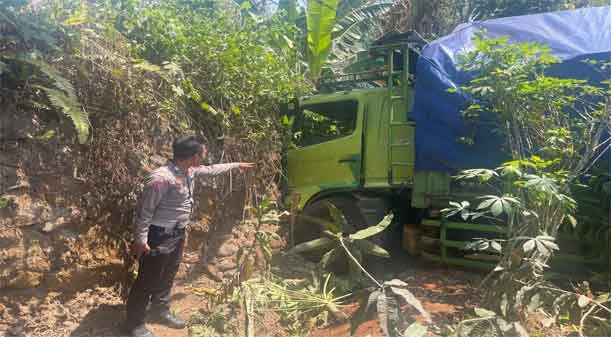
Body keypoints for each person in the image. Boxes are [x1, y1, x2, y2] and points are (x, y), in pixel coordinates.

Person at [122, 135, 254, 337]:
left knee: (168, 274)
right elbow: (144, 212)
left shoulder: (189, 171)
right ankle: (134, 325)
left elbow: (211, 170)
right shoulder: (161, 178)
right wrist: (141, 240)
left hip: (177, 233)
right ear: (193, 156)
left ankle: (160, 310)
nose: (205, 156)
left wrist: (237, 165)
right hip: (158, 236)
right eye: (203, 153)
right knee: (147, 280)